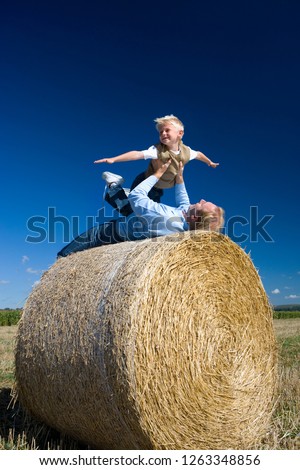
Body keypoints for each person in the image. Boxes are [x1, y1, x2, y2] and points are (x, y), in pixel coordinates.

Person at [57, 161, 224, 258]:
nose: (201, 199)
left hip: (117, 232)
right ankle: (115, 189)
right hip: (141, 224)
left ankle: (113, 185)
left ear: (194, 218)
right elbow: (183, 203)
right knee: (135, 205)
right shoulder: (185, 226)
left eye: (203, 203)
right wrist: (179, 176)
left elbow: (137, 195)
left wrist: (157, 175)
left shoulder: (164, 218)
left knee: (71, 251)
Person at [94, 115, 219, 203]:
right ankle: (114, 184)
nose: (163, 133)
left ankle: (125, 193)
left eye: (167, 130)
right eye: (160, 132)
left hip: (159, 188)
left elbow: (199, 154)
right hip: (145, 181)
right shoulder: (157, 151)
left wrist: (209, 162)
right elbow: (137, 154)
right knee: (133, 209)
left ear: (180, 133)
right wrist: (114, 159)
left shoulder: (187, 151)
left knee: (147, 213)